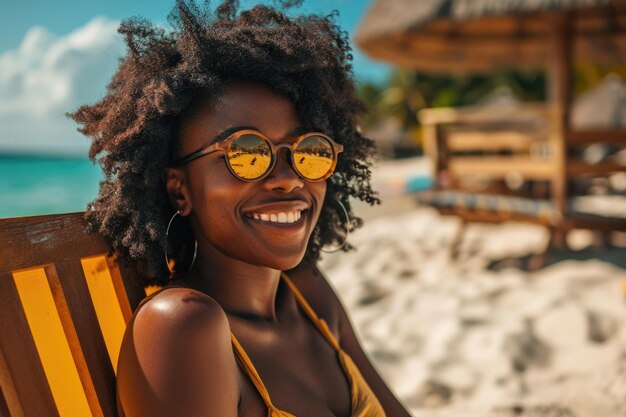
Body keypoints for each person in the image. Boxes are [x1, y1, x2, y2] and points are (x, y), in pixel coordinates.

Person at [71, 1, 412, 416]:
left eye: (310, 151)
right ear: (181, 191)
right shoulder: (183, 326)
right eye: (247, 152)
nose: (289, 178)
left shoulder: (308, 292)